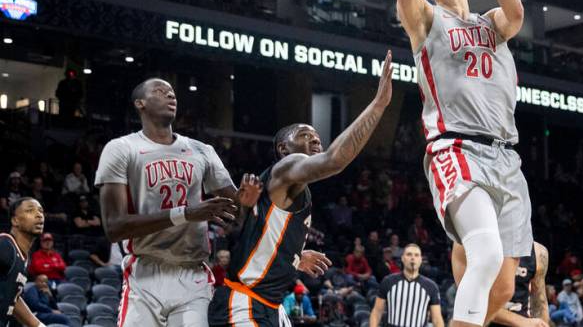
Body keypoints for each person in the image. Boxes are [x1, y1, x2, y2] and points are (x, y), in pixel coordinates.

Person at [362, 0, 532, 327]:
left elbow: (517, 13)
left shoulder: (492, 25)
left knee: (499, 289)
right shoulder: (427, 22)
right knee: (481, 258)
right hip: (455, 149)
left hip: (506, 157)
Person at [209, 52, 395, 327]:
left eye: (317, 137)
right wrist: (378, 105)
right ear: (284, 148)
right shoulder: (286, 167)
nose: (316, 140)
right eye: (305, 135)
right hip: (244, 304)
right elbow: (335, 160)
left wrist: (293, 258)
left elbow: (253, 237)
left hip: (266, 305)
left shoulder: (290, 190)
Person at [96, 78, 261, 327]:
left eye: (172, 93)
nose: (170, 96)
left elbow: (236, 210)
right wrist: (185, 213)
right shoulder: (121, 148)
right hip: (145, 272)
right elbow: (113, 227)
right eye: (160, 91)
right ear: (140, 103)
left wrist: (246, 203)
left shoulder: (201, 150)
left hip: (193, 272)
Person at [453, 241, 548, 327]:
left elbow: (539, 302)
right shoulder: (467, 242)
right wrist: (520, 321)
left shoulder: (538, 252)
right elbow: (469, 302)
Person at [370, 244, 444, 327]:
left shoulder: (431, 286)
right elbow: (377, 312)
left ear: (420, 260)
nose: (413, 258)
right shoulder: (388, 281)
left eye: (416, 255)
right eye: (409, 254)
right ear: (402, 258)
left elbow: (437, 319)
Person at [1, 198, 47, 327]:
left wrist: (38, 325)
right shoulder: (5, 245)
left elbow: (12, 296)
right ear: (15, 220)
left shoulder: (22, 256)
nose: (39, 215)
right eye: (30, 210)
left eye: (41, 211)